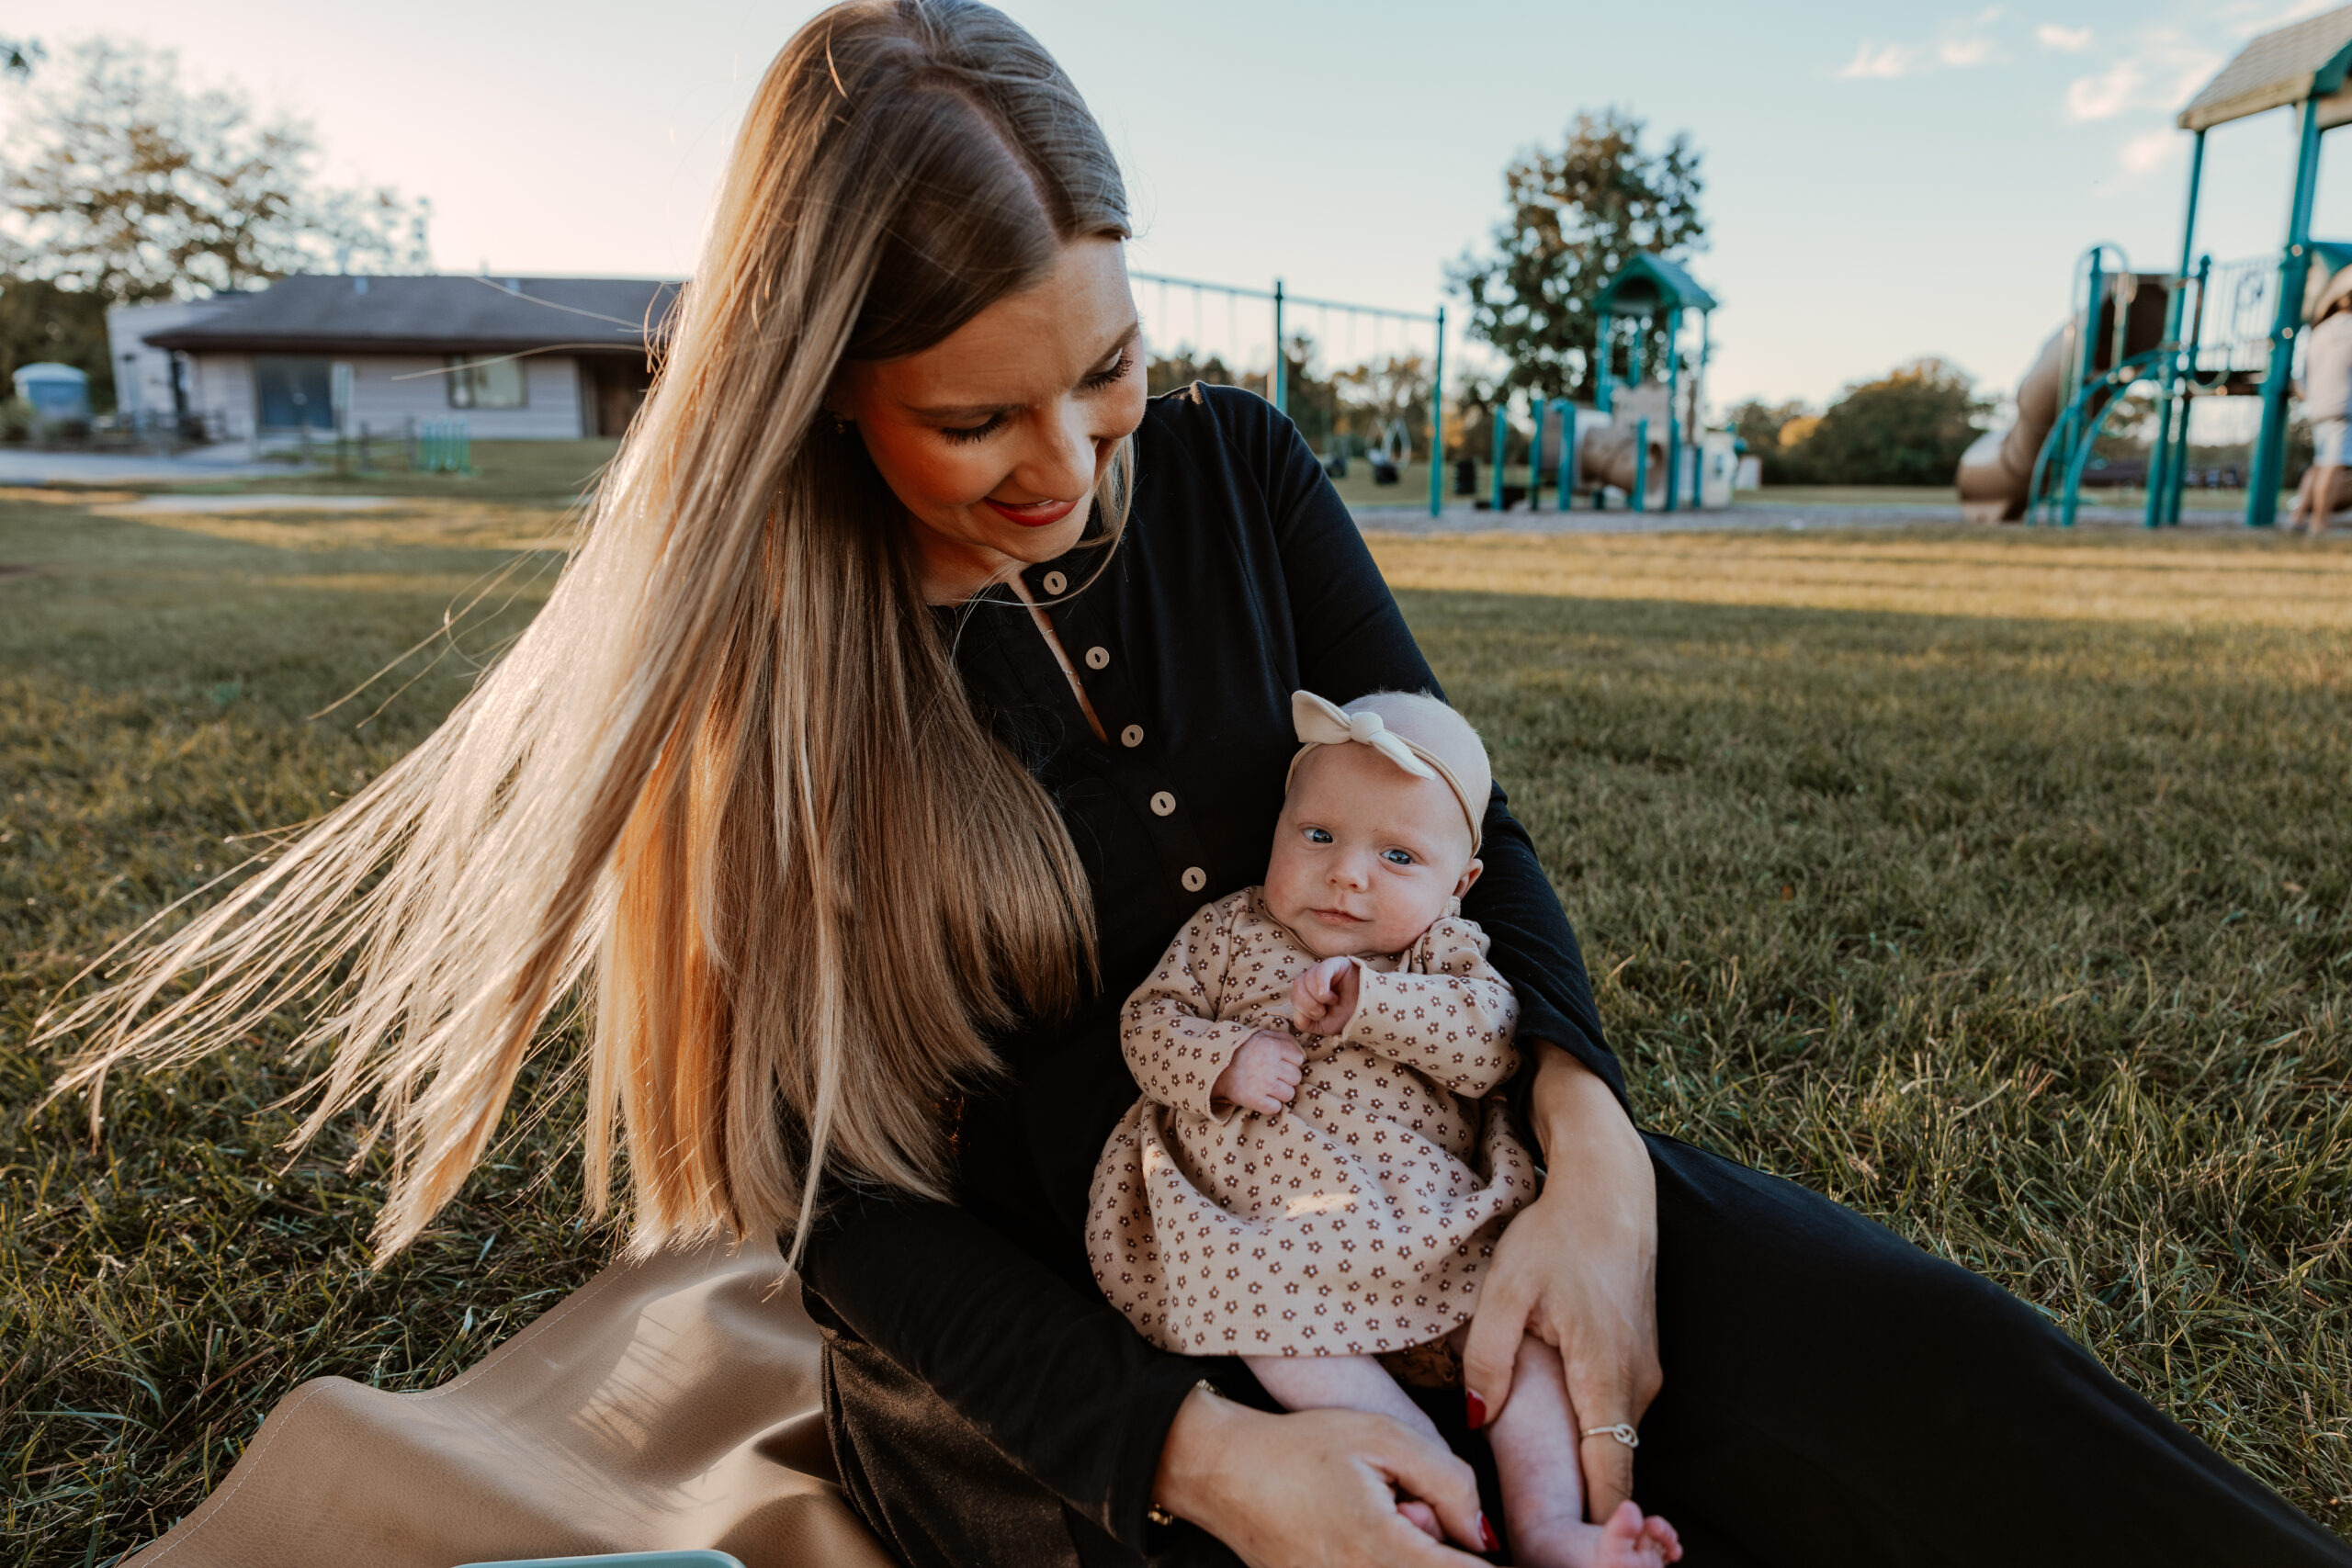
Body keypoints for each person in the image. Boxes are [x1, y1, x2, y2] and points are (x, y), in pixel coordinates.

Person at [51, 4, 2352, 1566]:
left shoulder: (1240, 472)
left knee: (1930, 1371)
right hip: (1070, 1335)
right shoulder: (775, 662)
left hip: (1427, 1167)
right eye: (979, 419)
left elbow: (1471, 818)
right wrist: (1212, 1455)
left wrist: (1591, 1150)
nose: (1068, 462)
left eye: (1112, 372)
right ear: (826, 394)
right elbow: (842, 1214)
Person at [1089, 689, 1680, 1568]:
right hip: (1267, 1222)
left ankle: (1555, 1523)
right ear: (1279, 826)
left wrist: (1374, 1002)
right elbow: (1149, 1024)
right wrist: (1225, 1057)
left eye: (1398, 854)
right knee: (1278, 1329)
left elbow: (1490, 1044)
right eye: (1318, 835)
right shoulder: (1229, 929)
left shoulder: (1442, 951)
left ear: (1460, 882)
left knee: (1523, 1338)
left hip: (1434, 1215)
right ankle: (1422, 1481)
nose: (1348, 874)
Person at [2291, 276, 2352, 536]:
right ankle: (2319, 523)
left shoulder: (2319, 331)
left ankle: (2296, 518)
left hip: (2318, 405)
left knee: (2320, 463)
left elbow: (2301, 375)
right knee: (2334, 465)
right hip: (2343, 405)